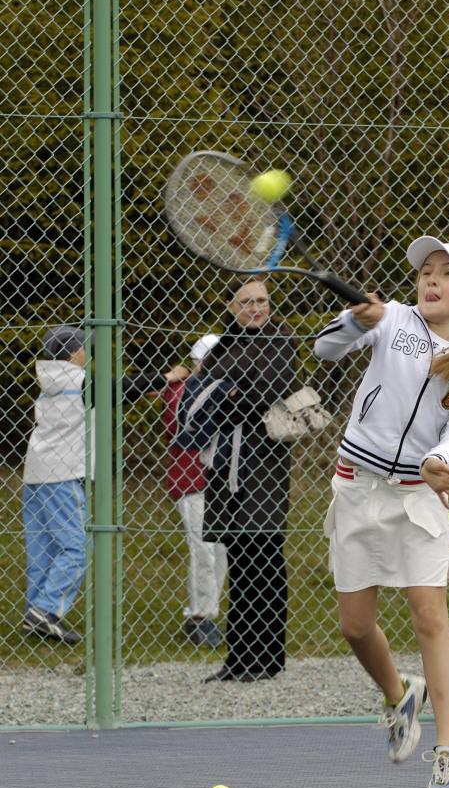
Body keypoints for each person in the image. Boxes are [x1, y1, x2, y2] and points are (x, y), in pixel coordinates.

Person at [314, 238, 449, 788]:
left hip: (418, 497)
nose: (432, 280)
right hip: (356, 488)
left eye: (448, 274)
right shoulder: (392, 320)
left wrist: (437, 463)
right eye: (427, 271)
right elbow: (325, 350)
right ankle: (400, 695)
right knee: (354, 626)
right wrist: (356, 321)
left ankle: (448, 756)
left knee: (430, 617)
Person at [22, 325, 185, 645]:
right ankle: (46, 609)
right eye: (85, 348)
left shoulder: (54, 380)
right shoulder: (78, 380)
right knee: (78, 544)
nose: (88, 353)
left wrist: (140, 388)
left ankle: (35, 613)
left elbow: (113, 391)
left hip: (36, 473)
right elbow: (118, 387)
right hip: (62, 474)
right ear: (73, 353)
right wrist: (165, 377)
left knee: (44, 547)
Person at [178, 277, 297, 682]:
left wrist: (227, 394)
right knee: (241, 561)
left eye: (262, 300)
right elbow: (202, 391)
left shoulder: (280, 338)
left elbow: (266, 392)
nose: (256, 308)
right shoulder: (226, 344)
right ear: (231, 306)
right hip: (227, 470)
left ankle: (268, 659)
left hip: (264, 469)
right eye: (246, 302)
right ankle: (239, 660)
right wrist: (226, 393)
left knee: (265, 560)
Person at [161, 334, 228, 648]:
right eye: (207, 360)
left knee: (222, 552)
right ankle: (201, 617)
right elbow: (179, 423)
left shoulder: (228, 388)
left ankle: (204, 613)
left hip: (222, 481)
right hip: (191, 481)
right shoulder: (181, 389)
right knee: (203, 549)